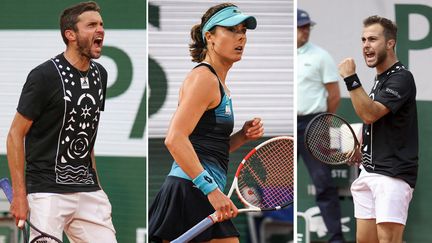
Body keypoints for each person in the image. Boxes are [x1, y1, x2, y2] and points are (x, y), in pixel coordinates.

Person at [149, 3, 263, 242]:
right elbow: (175, 138)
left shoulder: (217, 83)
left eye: (243, 30)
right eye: (232, 30)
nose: (241, 36)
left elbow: (204, 146)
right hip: (191, 189)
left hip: (194, 188)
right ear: (209, 36)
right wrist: (211, 190)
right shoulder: (204, 79)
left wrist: (241, 136)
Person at [6, 1, 117, 242]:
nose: (100, 30)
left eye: (101, 24)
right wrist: (19, 195)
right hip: (46, 193)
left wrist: (97, 185)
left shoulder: (101, 75)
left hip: (88, 191)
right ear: (71, 35)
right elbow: (15, 134)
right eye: (91, 25)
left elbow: (86, 134)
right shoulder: (43, 76)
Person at [339, 16, 418, 243]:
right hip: (369, 172)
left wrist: (351, 78)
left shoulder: (402, 77)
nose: (366, 45)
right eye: (363, 39)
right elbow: (377, 122)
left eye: (373, 39)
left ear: (390, 43)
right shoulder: (379, 80)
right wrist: (362, 147)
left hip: (392, 176)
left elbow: (370, 113)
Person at [297, 9, 345, 243]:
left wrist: (324, 120)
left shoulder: (320, 56)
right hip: (288, 124)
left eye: (307, 26)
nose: (305, 30)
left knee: (323, 182)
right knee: (281, 185)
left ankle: (336, 238)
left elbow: (334, 95)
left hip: (313, 124)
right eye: (300, 26)